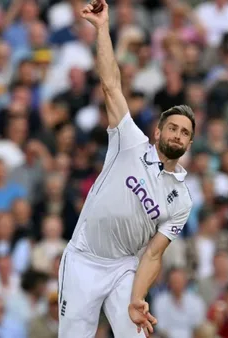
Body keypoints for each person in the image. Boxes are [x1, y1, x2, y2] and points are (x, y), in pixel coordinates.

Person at [57, 1, 195, 337]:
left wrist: (137, 297)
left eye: (186, 132)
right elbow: (110, 85)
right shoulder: (129, 140)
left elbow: (153, 255)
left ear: (189, 144)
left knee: (138, 333)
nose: (178, 134)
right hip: (84, 259)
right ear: (158, 131)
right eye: (173, 127)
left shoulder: (182, 200)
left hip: (124, 269)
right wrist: (103, 29)